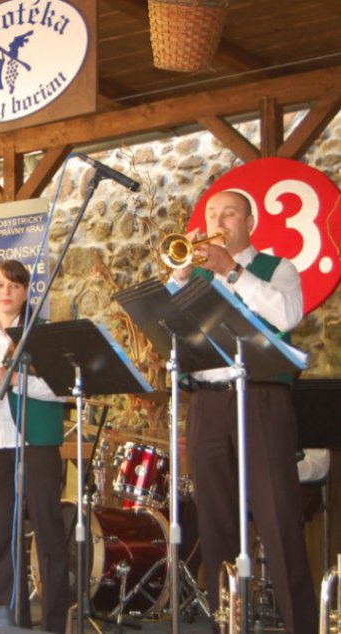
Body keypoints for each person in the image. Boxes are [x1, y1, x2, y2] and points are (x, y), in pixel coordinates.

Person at [171, 189, 317, 633]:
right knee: (214, 523)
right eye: (212, 213)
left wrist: (231, 271)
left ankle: (300, 627)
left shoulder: (278, 268)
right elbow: (164, 320)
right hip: (207, 400)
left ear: (249, 221)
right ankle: (224, 624)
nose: (219, 220)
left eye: (229, 213)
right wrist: (180, 276)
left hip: (260, 397)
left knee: (278, 518)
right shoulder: (196, 278)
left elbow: (287, 314)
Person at [0, 259, 68, 633]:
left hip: (35, 441)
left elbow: (60, 390)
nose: (5, 292)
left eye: (12, 286)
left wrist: (14, 382)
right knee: (4, 534)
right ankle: (11, 617)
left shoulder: (40, 333)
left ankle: (55, 621)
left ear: (26, 292)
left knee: (47, 529)